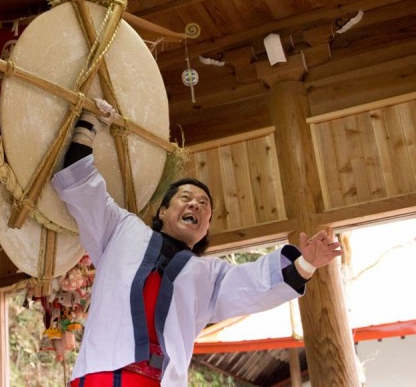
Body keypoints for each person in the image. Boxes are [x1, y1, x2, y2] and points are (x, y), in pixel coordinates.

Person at [51, 99, 342, 387]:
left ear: (205, 228)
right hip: (102, 374)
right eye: (186, 198)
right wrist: (90, 122)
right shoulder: (120, 229)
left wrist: (306, 263)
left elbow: (255, 284)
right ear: (162, 211)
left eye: (204, 205)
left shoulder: (211, 276)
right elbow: (80, 183)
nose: (195, 205)